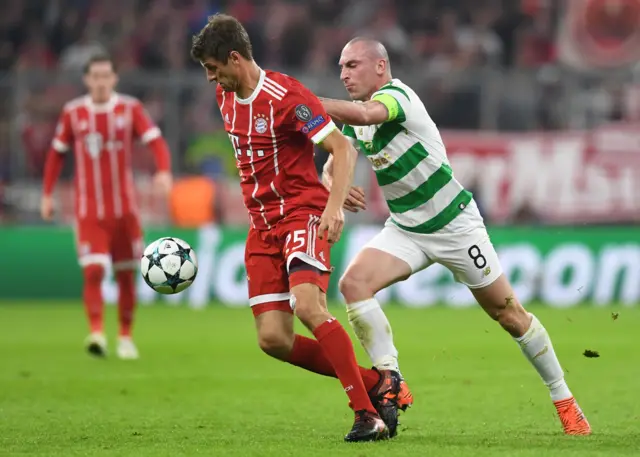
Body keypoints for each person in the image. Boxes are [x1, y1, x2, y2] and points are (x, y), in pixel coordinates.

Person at [320, 37, 591, 436]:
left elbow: (367, 115)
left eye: (353, 65)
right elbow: (334, 161)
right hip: (406, 228)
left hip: (454, 226)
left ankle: (565, 401)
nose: (344, 74)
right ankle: (392, 380)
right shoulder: (353, 120)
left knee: (509, 315)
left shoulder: (399, 97)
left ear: (380, 66)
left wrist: (308, 102)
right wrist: (332, 183)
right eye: (341, 67)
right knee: (353, 283)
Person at [190, 14, 398, 442]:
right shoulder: (224, 95)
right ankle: (378, 385)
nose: (211, 78)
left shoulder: (286, 96)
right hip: (261, 225)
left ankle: (366, 414)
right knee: (273, 340)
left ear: (235, 57)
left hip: (301, 214)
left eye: (213, 67)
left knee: (308, 307)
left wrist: (334, 207)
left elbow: (341, 148)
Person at [41, 54, 173, 360]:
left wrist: (164, 170)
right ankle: (97, 332)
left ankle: (125, 336)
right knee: (95, 271)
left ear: (114, 79)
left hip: (125, 211)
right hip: (89, 212)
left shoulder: (130, 109)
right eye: (95, 76)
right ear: (87, 80)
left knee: (127, 275)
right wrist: (47, 194)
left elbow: (156, 141)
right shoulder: (73, 113)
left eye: (106, 76)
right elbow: (56, 154)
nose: (100, 81)